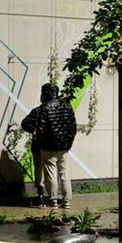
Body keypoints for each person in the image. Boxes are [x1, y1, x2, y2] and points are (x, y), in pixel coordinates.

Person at [20, 82, 77, 210]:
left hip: (48, 147)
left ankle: (53, 201)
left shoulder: (43, 108)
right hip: (63, 147)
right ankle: (67, 201)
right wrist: (68, 143)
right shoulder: (67, 106)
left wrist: (40, 143)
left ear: (44, 94)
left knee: (50, 174)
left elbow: (40, 129)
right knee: (64, 173)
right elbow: (73, 127)